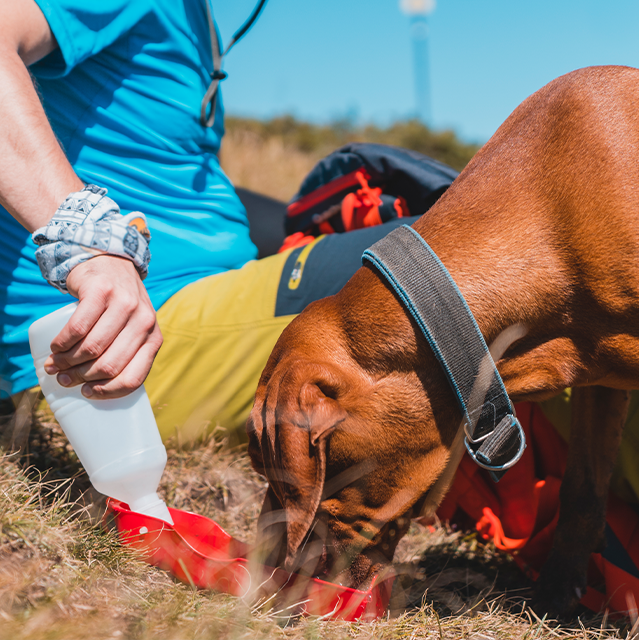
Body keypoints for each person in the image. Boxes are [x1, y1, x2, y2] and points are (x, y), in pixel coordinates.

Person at [0, 0, 429, 443]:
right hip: (115, 348)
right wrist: (87, 241)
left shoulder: (194, 16)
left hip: (196, 295)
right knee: (466, 247)